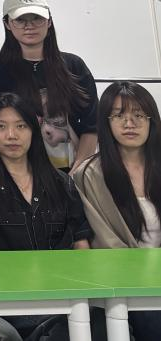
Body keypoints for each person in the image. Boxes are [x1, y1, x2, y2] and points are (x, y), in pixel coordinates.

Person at [0, 92, 92, 341]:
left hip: (64, 298)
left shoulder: (62, 184)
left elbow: (81, 246)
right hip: (10, 304)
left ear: (34, 129)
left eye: (21, 126)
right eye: (1, 126)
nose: (12, 135)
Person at [73, 82, 161, 340]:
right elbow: (104, 242)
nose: (129, 123)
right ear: (106, 122)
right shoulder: (89, 175)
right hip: (122, 285)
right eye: (119, 116)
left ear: (152, 121)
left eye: (138, 115)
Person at [0, 0, 97, 171]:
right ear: (7, 24)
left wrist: (76, 175)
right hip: (15, 174)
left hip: (72, 171)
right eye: (20, 20)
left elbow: (92, 124)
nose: (29, 26)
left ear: (49, 21)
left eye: (37, 18)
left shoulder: (74, 66)